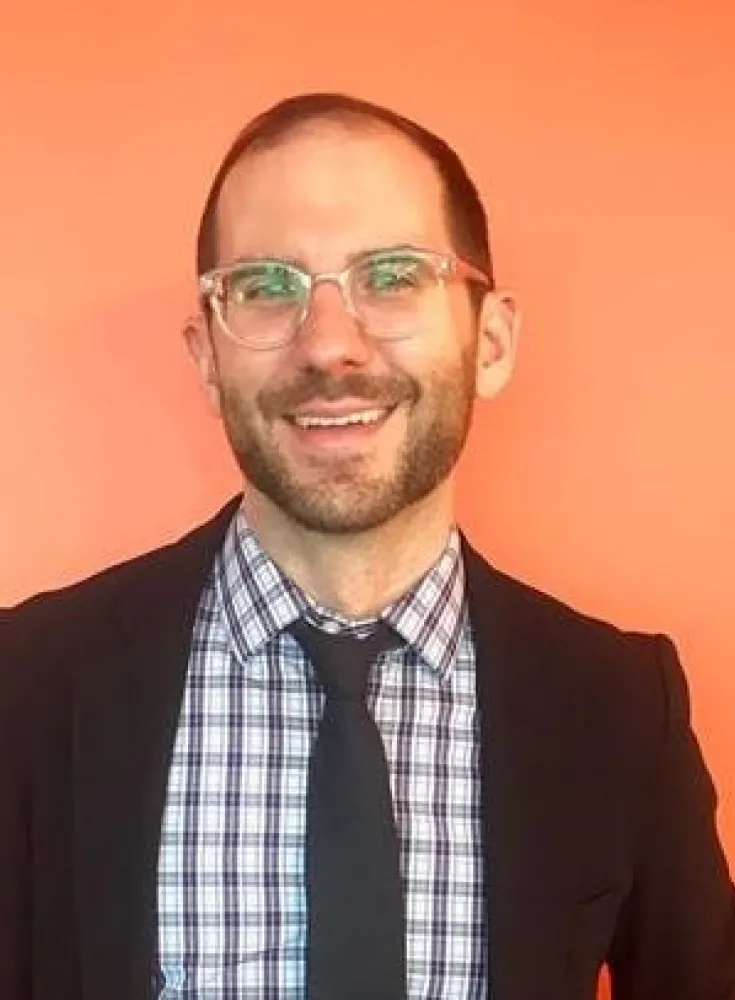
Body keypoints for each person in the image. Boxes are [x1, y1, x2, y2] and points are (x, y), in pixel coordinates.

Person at [0, 92, 733, 1000]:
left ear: (491, 340)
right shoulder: (23, 685)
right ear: (205, 360)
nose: (330, 344)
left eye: (391, 276)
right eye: (267, 288)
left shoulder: (622, 707)